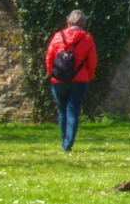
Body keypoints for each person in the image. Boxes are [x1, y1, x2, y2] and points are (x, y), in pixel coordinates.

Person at [44, 10, 98, 152]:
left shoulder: (57, 37)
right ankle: (68, 143)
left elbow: (49, 57)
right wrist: (88, 76)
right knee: (73, 111)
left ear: (68, 22)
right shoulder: (87, 39)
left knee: (62, 111)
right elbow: (92, 61)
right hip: (80, 80)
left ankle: (64, 140)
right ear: (83, 24)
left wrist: (52, 74)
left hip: (59, 79)